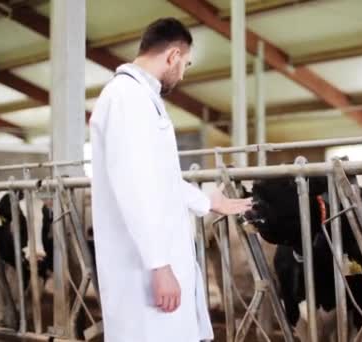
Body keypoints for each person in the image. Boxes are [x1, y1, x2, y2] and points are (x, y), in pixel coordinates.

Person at [90, 17, 253, 341]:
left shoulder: (139, 98)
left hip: (152, 266)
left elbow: (156, 176)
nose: (183, 74)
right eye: (186, 65)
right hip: (143, 272)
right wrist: (160, 266)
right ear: (173, 56)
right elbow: (135, 187)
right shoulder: (128, 99)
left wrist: (206, 201)